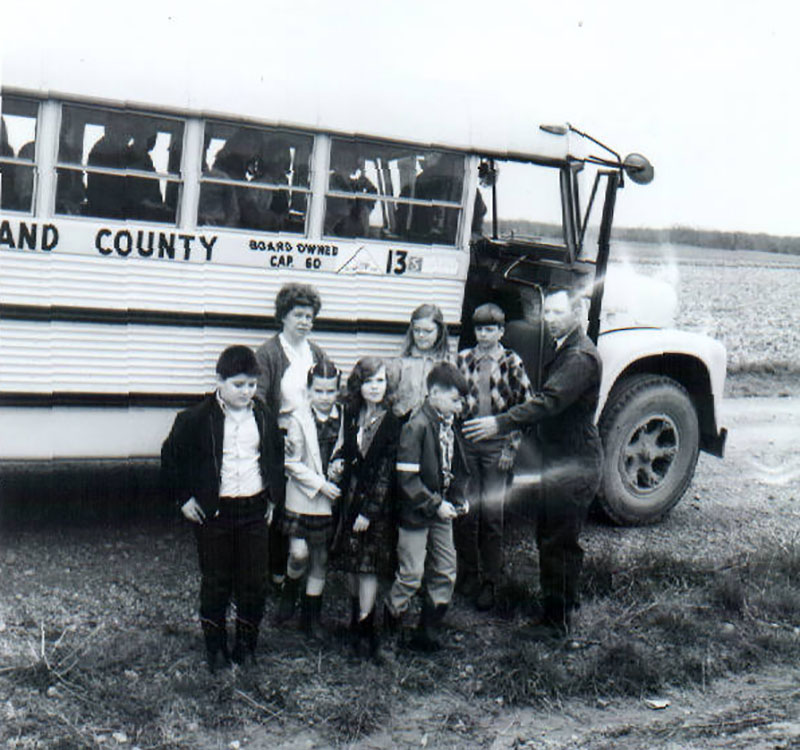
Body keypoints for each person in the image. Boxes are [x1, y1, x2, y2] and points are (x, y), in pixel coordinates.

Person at [462, 288, 604, 638]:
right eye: (547, 313)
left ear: (578, 312)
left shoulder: (579, 358)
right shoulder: (568, 349)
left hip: (574, 461)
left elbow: (548, 402)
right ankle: (563, 605)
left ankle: (555, 624)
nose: (549, 320)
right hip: (562, 458)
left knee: (558, 540)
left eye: (557, 313)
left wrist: (501, 421)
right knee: (553, 536)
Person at [160, 345, 283, 672]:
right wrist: (184, 499)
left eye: (252, 385)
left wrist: (271, 496)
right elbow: (170, 459)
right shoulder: (196, 419)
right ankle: (215, 648)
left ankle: (246, 645)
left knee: (254, 582)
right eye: (238, 385)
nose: (247, 392)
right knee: (216, 580)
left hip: (254, 510)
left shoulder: (263, 416)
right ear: (220, 381)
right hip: (216, 513)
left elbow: (274, 457)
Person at [384, 362, 470, 652]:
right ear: (434, 393)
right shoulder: (416, 426)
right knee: (411, 575)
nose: (459, 407)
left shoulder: (447, 424)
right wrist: (435, 505)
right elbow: (406, 480)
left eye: (461, 401)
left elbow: (455, 466)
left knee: (446, 569)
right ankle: (388, 632)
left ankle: (428, 633)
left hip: (441, 512)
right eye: (454, 399)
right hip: (417, 514)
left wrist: (458, 498)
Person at [455, 303, 533, 611]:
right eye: (480, 329)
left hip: (497, 446)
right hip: (467, 446)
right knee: (468, 511)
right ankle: (468, 573)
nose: (484, 334)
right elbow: (455, 400)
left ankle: (491, 579)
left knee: (492, 515)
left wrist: (510, 448)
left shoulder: (512, 362)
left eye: (491, 329)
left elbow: (524, 408)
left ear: (501, 331)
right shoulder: (463, 359)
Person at [255, 283, 328, 592]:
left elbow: (329, 390)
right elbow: (258, 400)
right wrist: (273, 436)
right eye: (298, 315)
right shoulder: (269, 353)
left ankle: (304, 570)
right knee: (281, 504)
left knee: (308, 501)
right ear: (283, 316)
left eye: (309, 316)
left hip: (312, 439)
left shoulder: (316, 352)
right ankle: (277, 573)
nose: (304, 322)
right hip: (281, 436)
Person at [335, 357, 402, 660]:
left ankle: (367, 627)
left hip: (375, 508)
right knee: (351, 563)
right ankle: (354, 621)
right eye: (368, 382)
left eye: (380, 381)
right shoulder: (352, 415)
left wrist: (368, 512)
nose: (374, 388)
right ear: (358, 386)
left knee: (368, 566)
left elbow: (386, 475)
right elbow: (348, 450)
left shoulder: (392, 422)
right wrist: (338, 459)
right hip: (349, 501)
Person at [276, 360, 343, 639]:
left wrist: (340, 465)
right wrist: (320, 484)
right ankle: (290, 588)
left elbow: (347, 450)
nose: (325, 397)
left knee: (321, 557)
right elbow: (291, 463)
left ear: (338, 392)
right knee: (299, 553)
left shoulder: (345, 418)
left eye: (330, 392)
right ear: (309, 391)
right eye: (319, 391)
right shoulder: (299, 418)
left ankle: (310, 615)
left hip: (330, 498)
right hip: (304, 494)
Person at [389, 303, 452, 419]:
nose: (421, 335)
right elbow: (388, 397)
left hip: (435, 426)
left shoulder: (447, 363)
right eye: (417, 330)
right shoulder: (400, 363)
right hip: (403, 425)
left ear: (439, 332)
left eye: (428, 331)